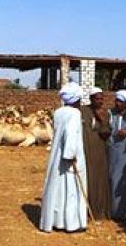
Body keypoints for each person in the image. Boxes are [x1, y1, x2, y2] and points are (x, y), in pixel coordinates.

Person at [39, 82, 87, 233]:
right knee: (71, 189)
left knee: (58, 189)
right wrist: (71, 155)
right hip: (70, 157)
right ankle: (71, 223)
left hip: (57, 157)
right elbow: (70, 135)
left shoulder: (59, 112)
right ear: (76, 100)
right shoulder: (74, 114)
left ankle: (56, 221)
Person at [80, 86, 111, 219]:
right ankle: (85, 211)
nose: (100, 101)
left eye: (101, 98)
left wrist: (102, 121)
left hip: (99, 151)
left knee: (99, 180)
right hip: (85, 150)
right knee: (87, 178)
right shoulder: (82, 111)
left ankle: (99, 211)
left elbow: (106, 134)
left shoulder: (105, 113)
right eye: (97, 98)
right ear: (91, 99)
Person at [108, 89, 126, 220]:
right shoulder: (110, 113)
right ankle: (114, 211)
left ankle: (125, 212)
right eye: (116, 100)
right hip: (113, 151)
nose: (116, 103)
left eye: (120, 101)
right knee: (112, 179)